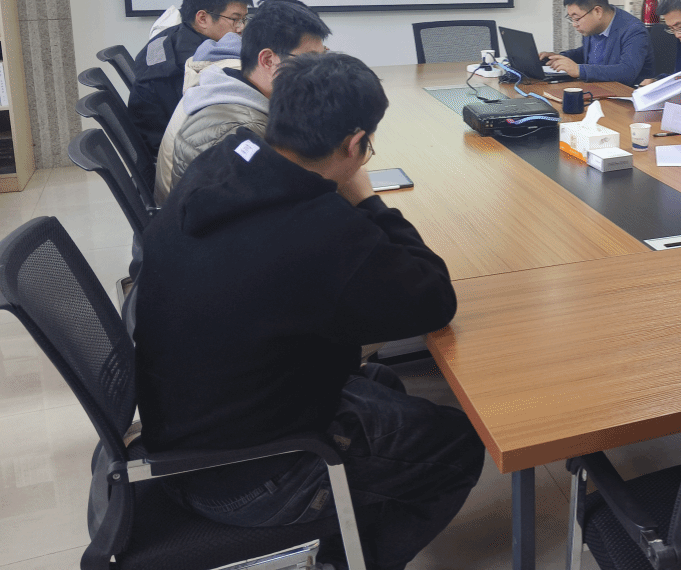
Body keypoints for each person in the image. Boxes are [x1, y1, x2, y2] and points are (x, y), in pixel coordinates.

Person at [134, 53, 484, 570]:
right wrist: (367, 200)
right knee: (457, 445)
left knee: (383, 382)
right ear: (355, 144)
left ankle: (356, 518)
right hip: (252, 476)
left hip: (181, 437)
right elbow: (434, 300)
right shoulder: (321, 231)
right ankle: (347, 560)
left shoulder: (226, 159)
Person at [154, 0, 331, 203]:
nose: (320, 71)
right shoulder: (234, 134)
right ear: (268, 60)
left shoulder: (235, 85)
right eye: (311, 60)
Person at [129, 0, 254, 153]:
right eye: (235, 19)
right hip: (173, 154)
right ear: (202, 18)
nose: (241, 27)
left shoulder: (172, 34)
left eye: (244, 19)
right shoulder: (193, 66)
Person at [539, 0, 653, 86]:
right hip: (598, 89)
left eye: (576, 18)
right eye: (571, 18)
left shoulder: (633, 30)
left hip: (626, 95)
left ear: (597, 11)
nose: (574, 24)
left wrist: (579, 70)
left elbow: (627, 72)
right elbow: (589, 53)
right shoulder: (593, 27)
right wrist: (558, 58)